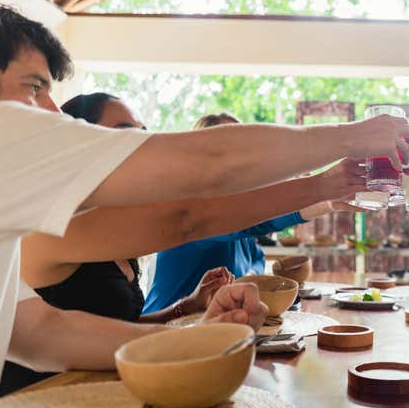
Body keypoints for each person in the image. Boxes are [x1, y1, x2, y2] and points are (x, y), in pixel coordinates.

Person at [0, 3, 409, 399]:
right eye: (33, 88)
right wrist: (350, 139)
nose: (52, 112)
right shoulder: (1, 140)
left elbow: (41, 332)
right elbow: (195, 203)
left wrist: (195, 334)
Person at [145, 110, 359, 313]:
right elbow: (255, 223)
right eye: (228, 147)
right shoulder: (192, 205)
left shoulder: (243, 221)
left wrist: (329, 201)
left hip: (212, 329)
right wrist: (323, 196)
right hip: (161, 333)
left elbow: (254, 260)